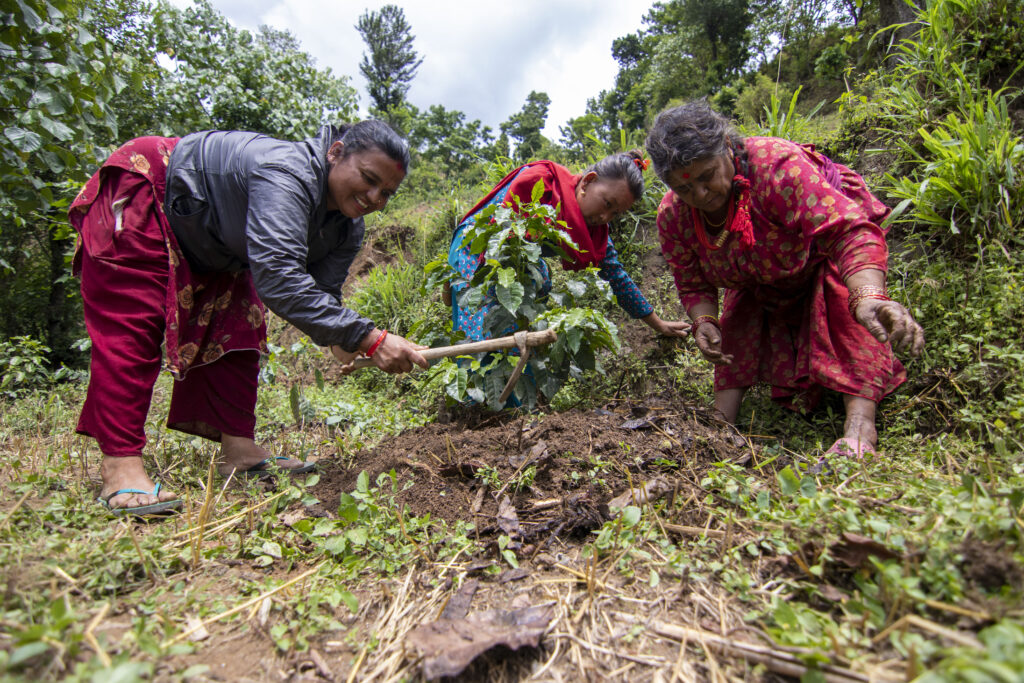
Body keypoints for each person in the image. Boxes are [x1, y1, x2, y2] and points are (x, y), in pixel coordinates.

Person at [69, 121, 428, 516]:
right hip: (150, 196)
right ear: (336, 153)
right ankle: (119, 467)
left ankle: (238, 452)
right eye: (369, 179)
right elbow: (277, 277)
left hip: (218, 246)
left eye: (387, 193)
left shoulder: (348, 227)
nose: (374, 197)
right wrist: (370, 337)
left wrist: (345, 344)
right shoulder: (286, 173)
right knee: (134, 326)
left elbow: (322, 295)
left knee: (240, 327)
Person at [645, 101, 925, 457]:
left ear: (727, 150)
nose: (700, 195)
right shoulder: (673, 215)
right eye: (685, 189)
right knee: (737, 320)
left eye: (707, 176)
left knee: (844, 300)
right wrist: (704, 320)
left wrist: (869, 295)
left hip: (816, 257)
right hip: (759, 280)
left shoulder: (776, 167)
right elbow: (691, 279)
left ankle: (859, 430)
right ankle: (717, 430)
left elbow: (846, 232)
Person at [447, 152, 689, 343]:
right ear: (588, 182)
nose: (606, 216)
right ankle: (472, 401)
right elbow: (494, 232)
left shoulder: (595, 234)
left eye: (615, 213)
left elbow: (617, 278)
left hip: (516, 262)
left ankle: (509, 402)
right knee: (480, 328)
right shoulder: (542, 183)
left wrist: (658, 324)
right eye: (607, 203)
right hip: (476, 248)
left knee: (524, 311)